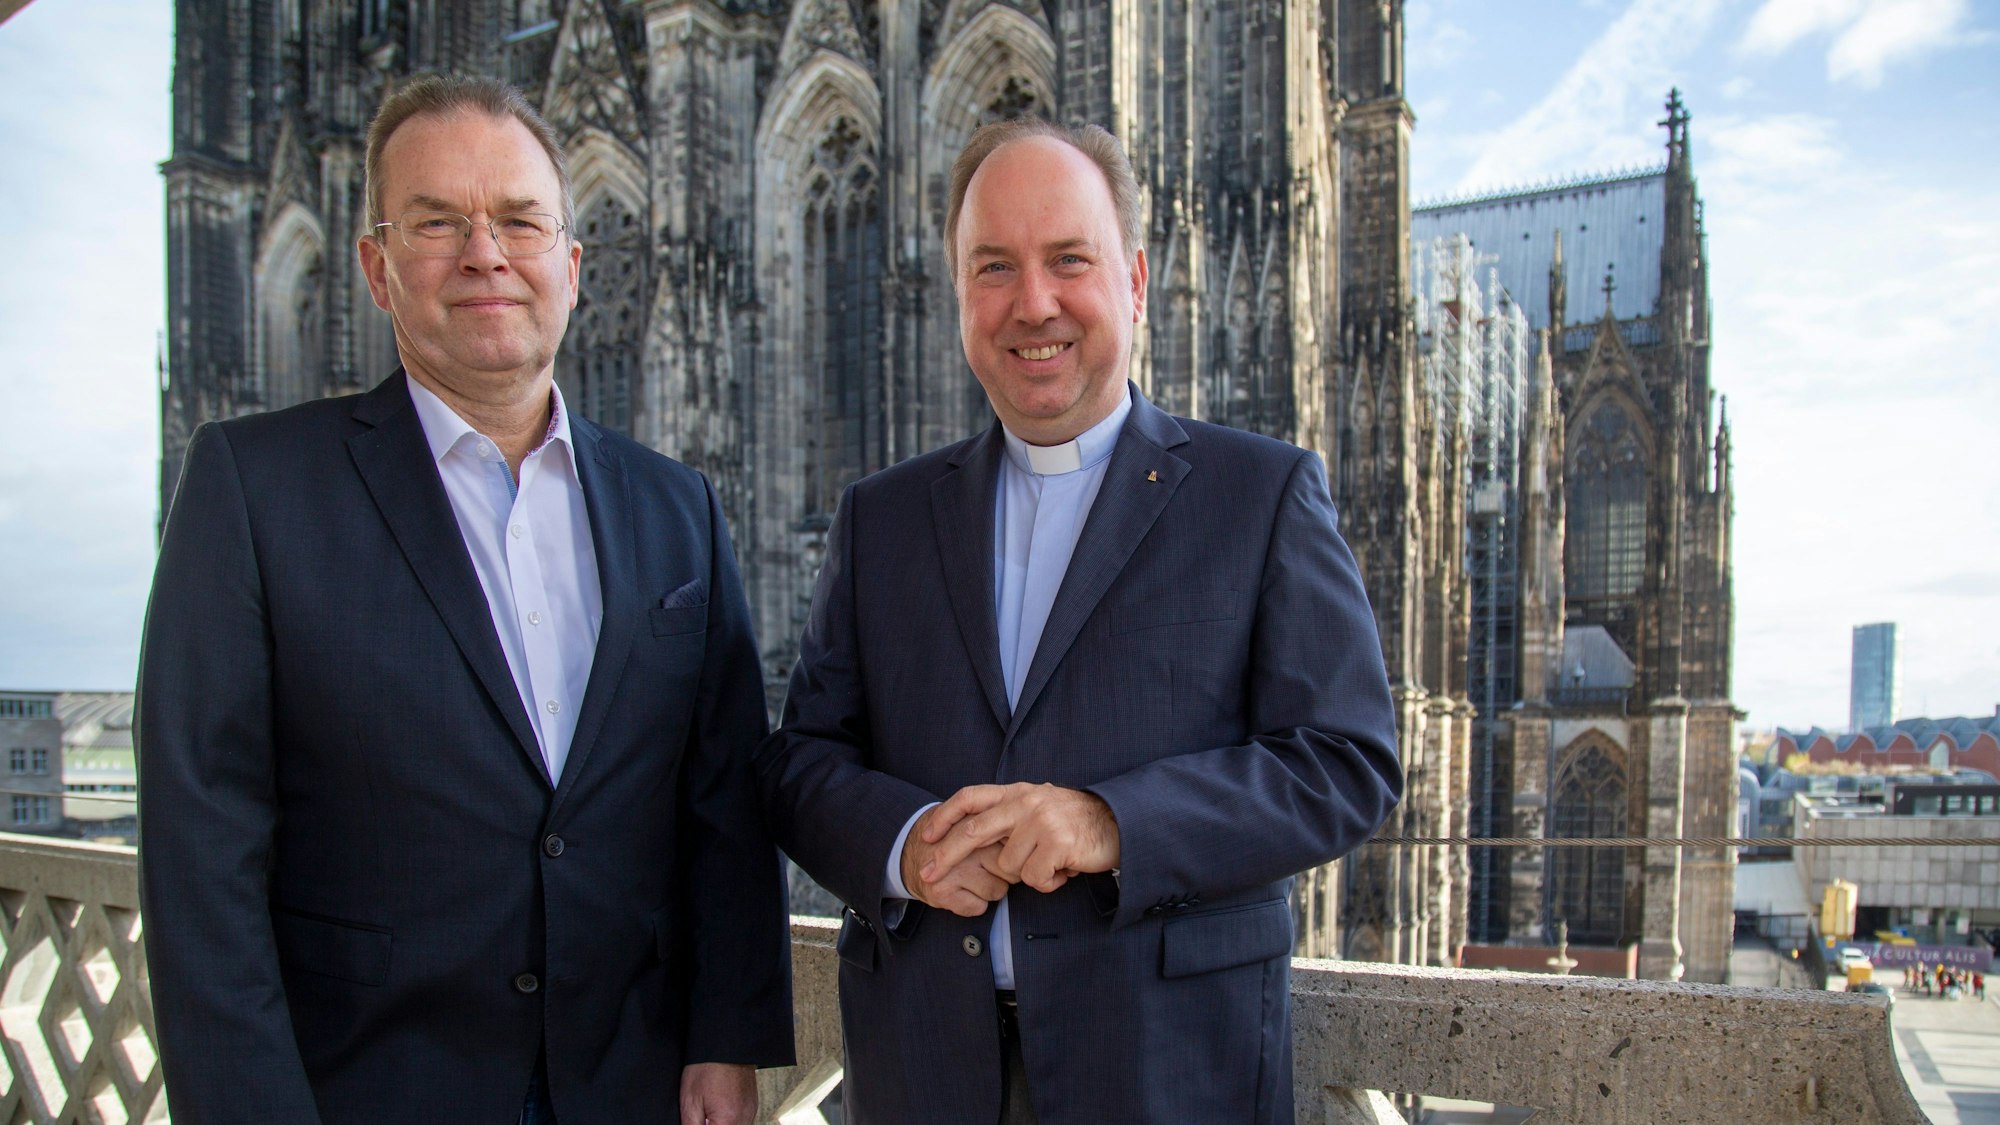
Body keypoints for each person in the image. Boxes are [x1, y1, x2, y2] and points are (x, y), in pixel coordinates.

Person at [138, 74, 792, 1124]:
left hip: (628, 1090)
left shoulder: (678, 508)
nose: (485, 253)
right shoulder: (250, 487)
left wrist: (726, 1036)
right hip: (365, 1090)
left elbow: (718, 801)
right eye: (436, 222)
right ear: (376, 268)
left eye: (520, 222)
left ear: (572, 268)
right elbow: (202, 857)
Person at [757, 117, 1401, 1124]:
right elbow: (801, 763)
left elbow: (1345, 762)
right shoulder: (880, 515)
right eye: (993, 268)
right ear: (958, 296)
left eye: (1068, 260)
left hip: (1168, 1076)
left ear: (1133, 281)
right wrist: (902, 844)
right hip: (920, 1075)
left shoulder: (1258, 492)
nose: (1032, 304)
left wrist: (1112, 823)